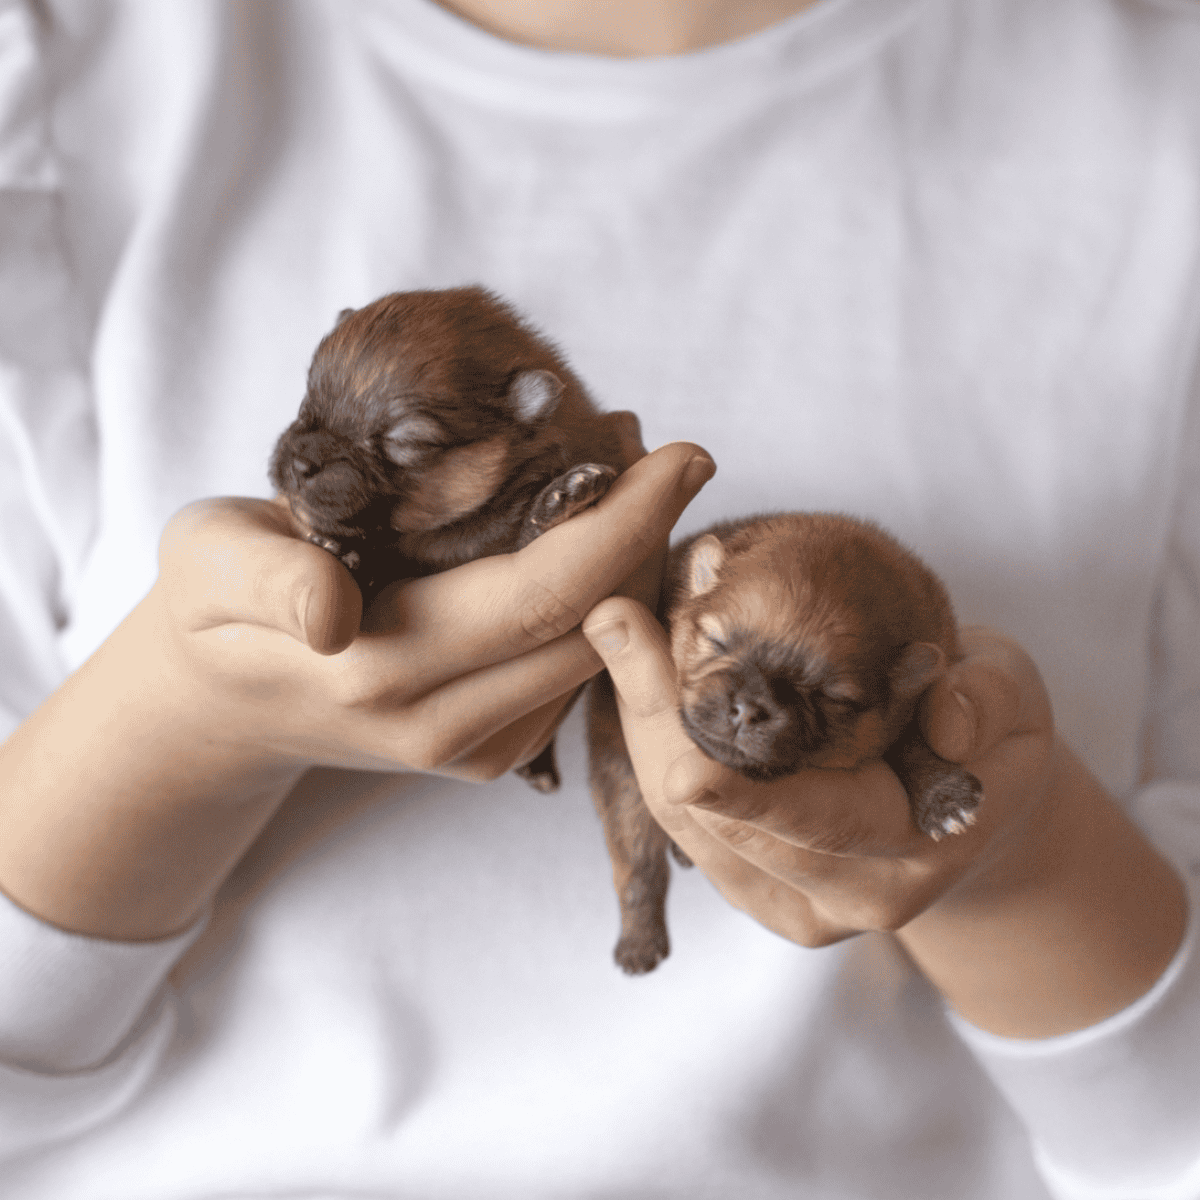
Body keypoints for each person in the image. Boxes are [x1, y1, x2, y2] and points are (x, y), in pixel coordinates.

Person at [1, 0, 1198, 1195]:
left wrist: (1019, 857)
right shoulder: (67, 82)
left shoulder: (1157, 110)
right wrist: (184, 722)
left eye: (405, 445)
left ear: (529, 417)